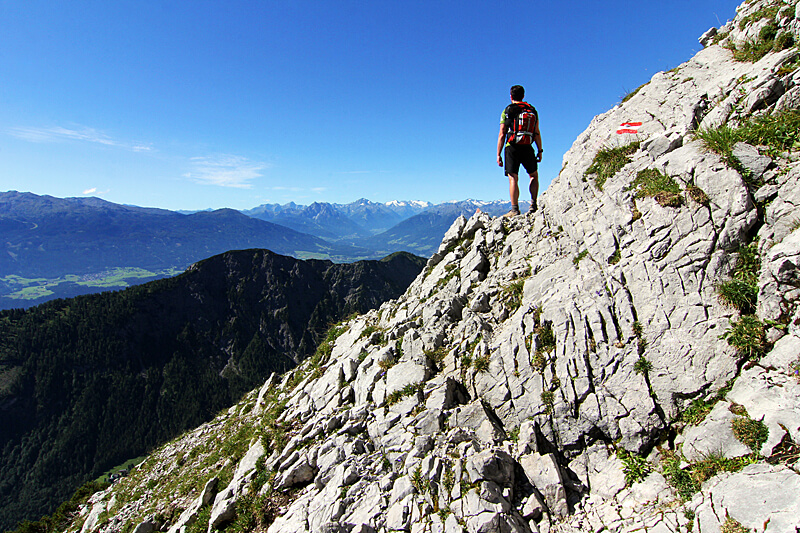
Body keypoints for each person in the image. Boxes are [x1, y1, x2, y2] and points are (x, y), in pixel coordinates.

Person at [497, 85, 543, 217]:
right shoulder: (532, 110)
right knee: (533, 175)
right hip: (528, 146)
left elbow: (502, 133)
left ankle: (514, 209)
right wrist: (540, 150)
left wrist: (498, 154)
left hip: (512, 146)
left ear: (511, 96)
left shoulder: (508, 110)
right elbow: (536, 132)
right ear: (523, 96)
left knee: (513, 178)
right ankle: (533, 204)